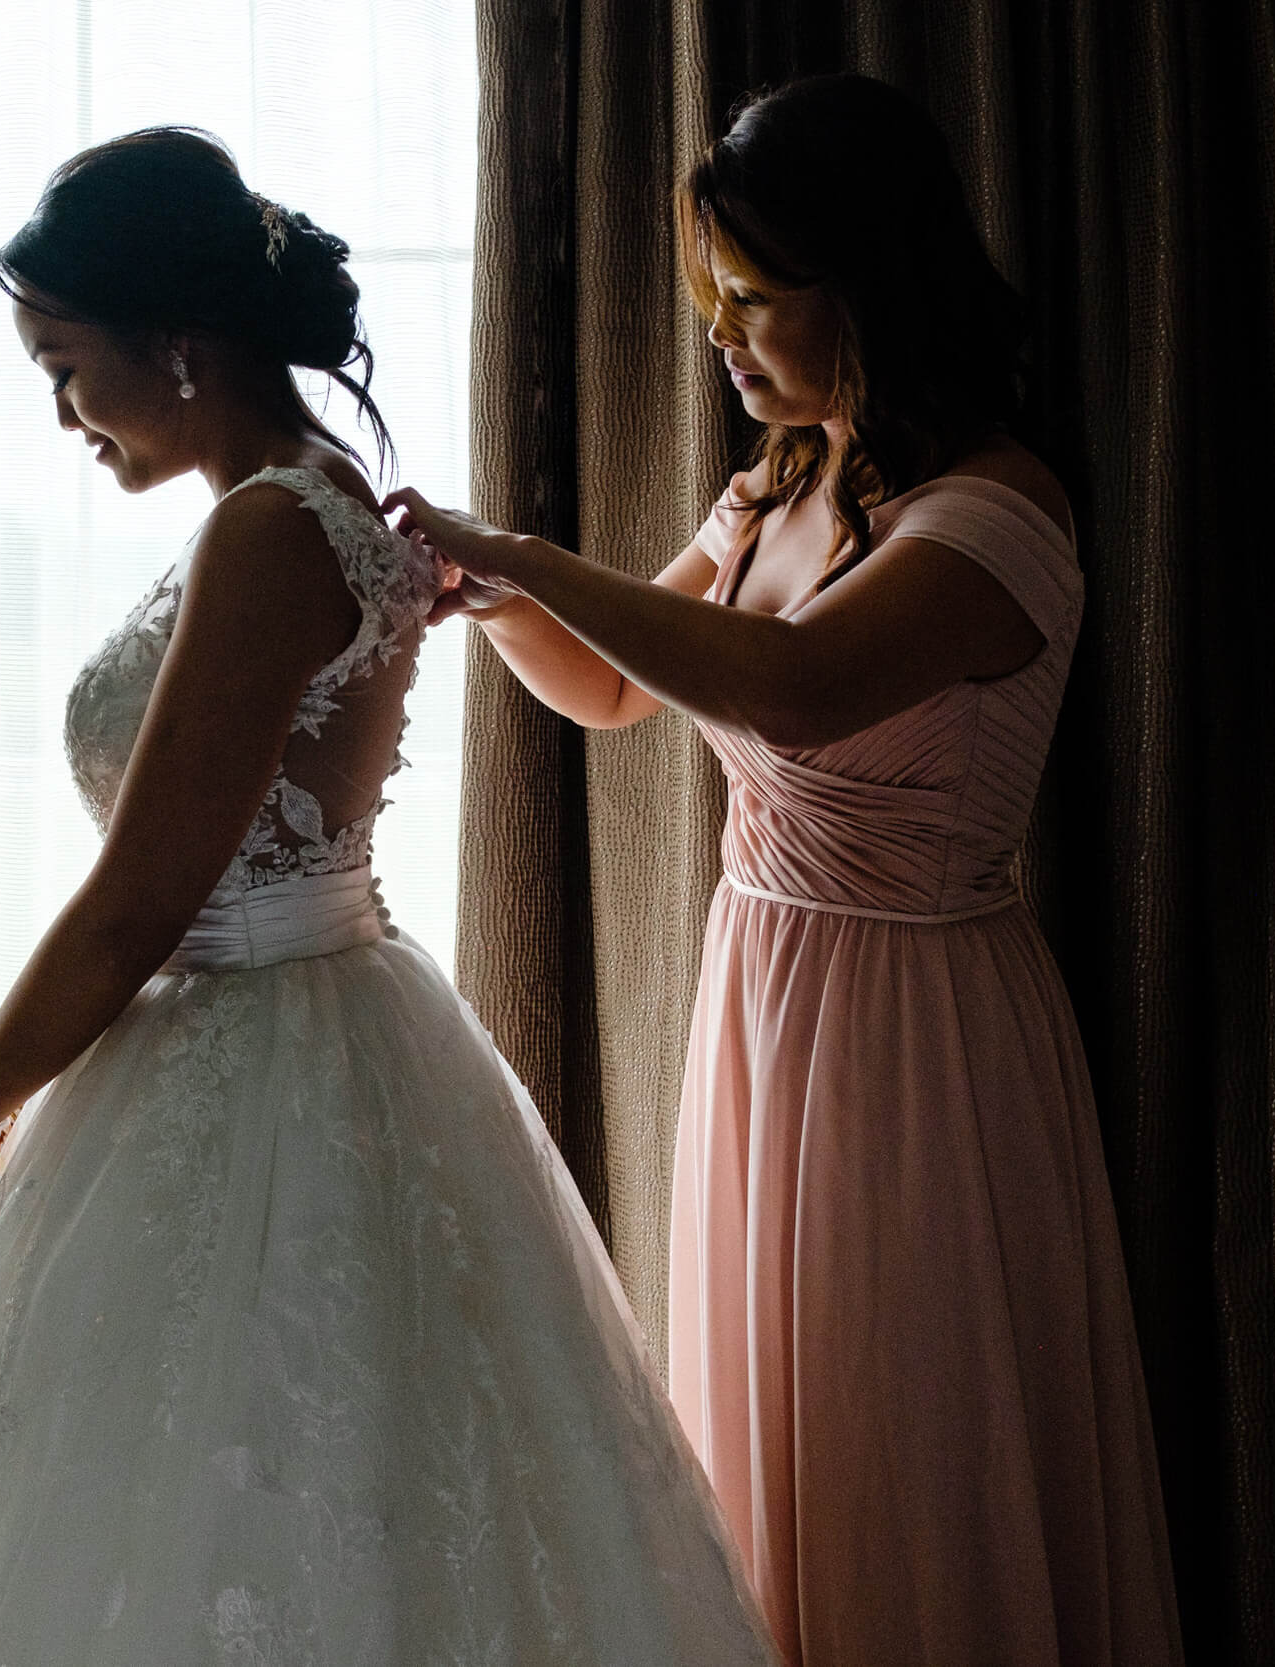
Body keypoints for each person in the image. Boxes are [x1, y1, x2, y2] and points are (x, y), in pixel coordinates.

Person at [0, 128, 775, 1666]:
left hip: (250, 1053)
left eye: (65, 366)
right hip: (306, 1028)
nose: (61, 414)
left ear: (176, 343)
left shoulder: (270, 528)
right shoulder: (311, 500)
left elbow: (140, 900)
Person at [382, 75, 1181, 1667]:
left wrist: (534, 554)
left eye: (751, 298)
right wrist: (492, 598)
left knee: (901, 1425)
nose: (720, 335)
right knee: (774, 1425)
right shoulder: (782, 485)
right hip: (761, 997)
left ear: (868, 283)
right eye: (711, 299)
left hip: (916, 1028)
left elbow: (790, 689)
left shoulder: (995, 513)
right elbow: (613, 690)